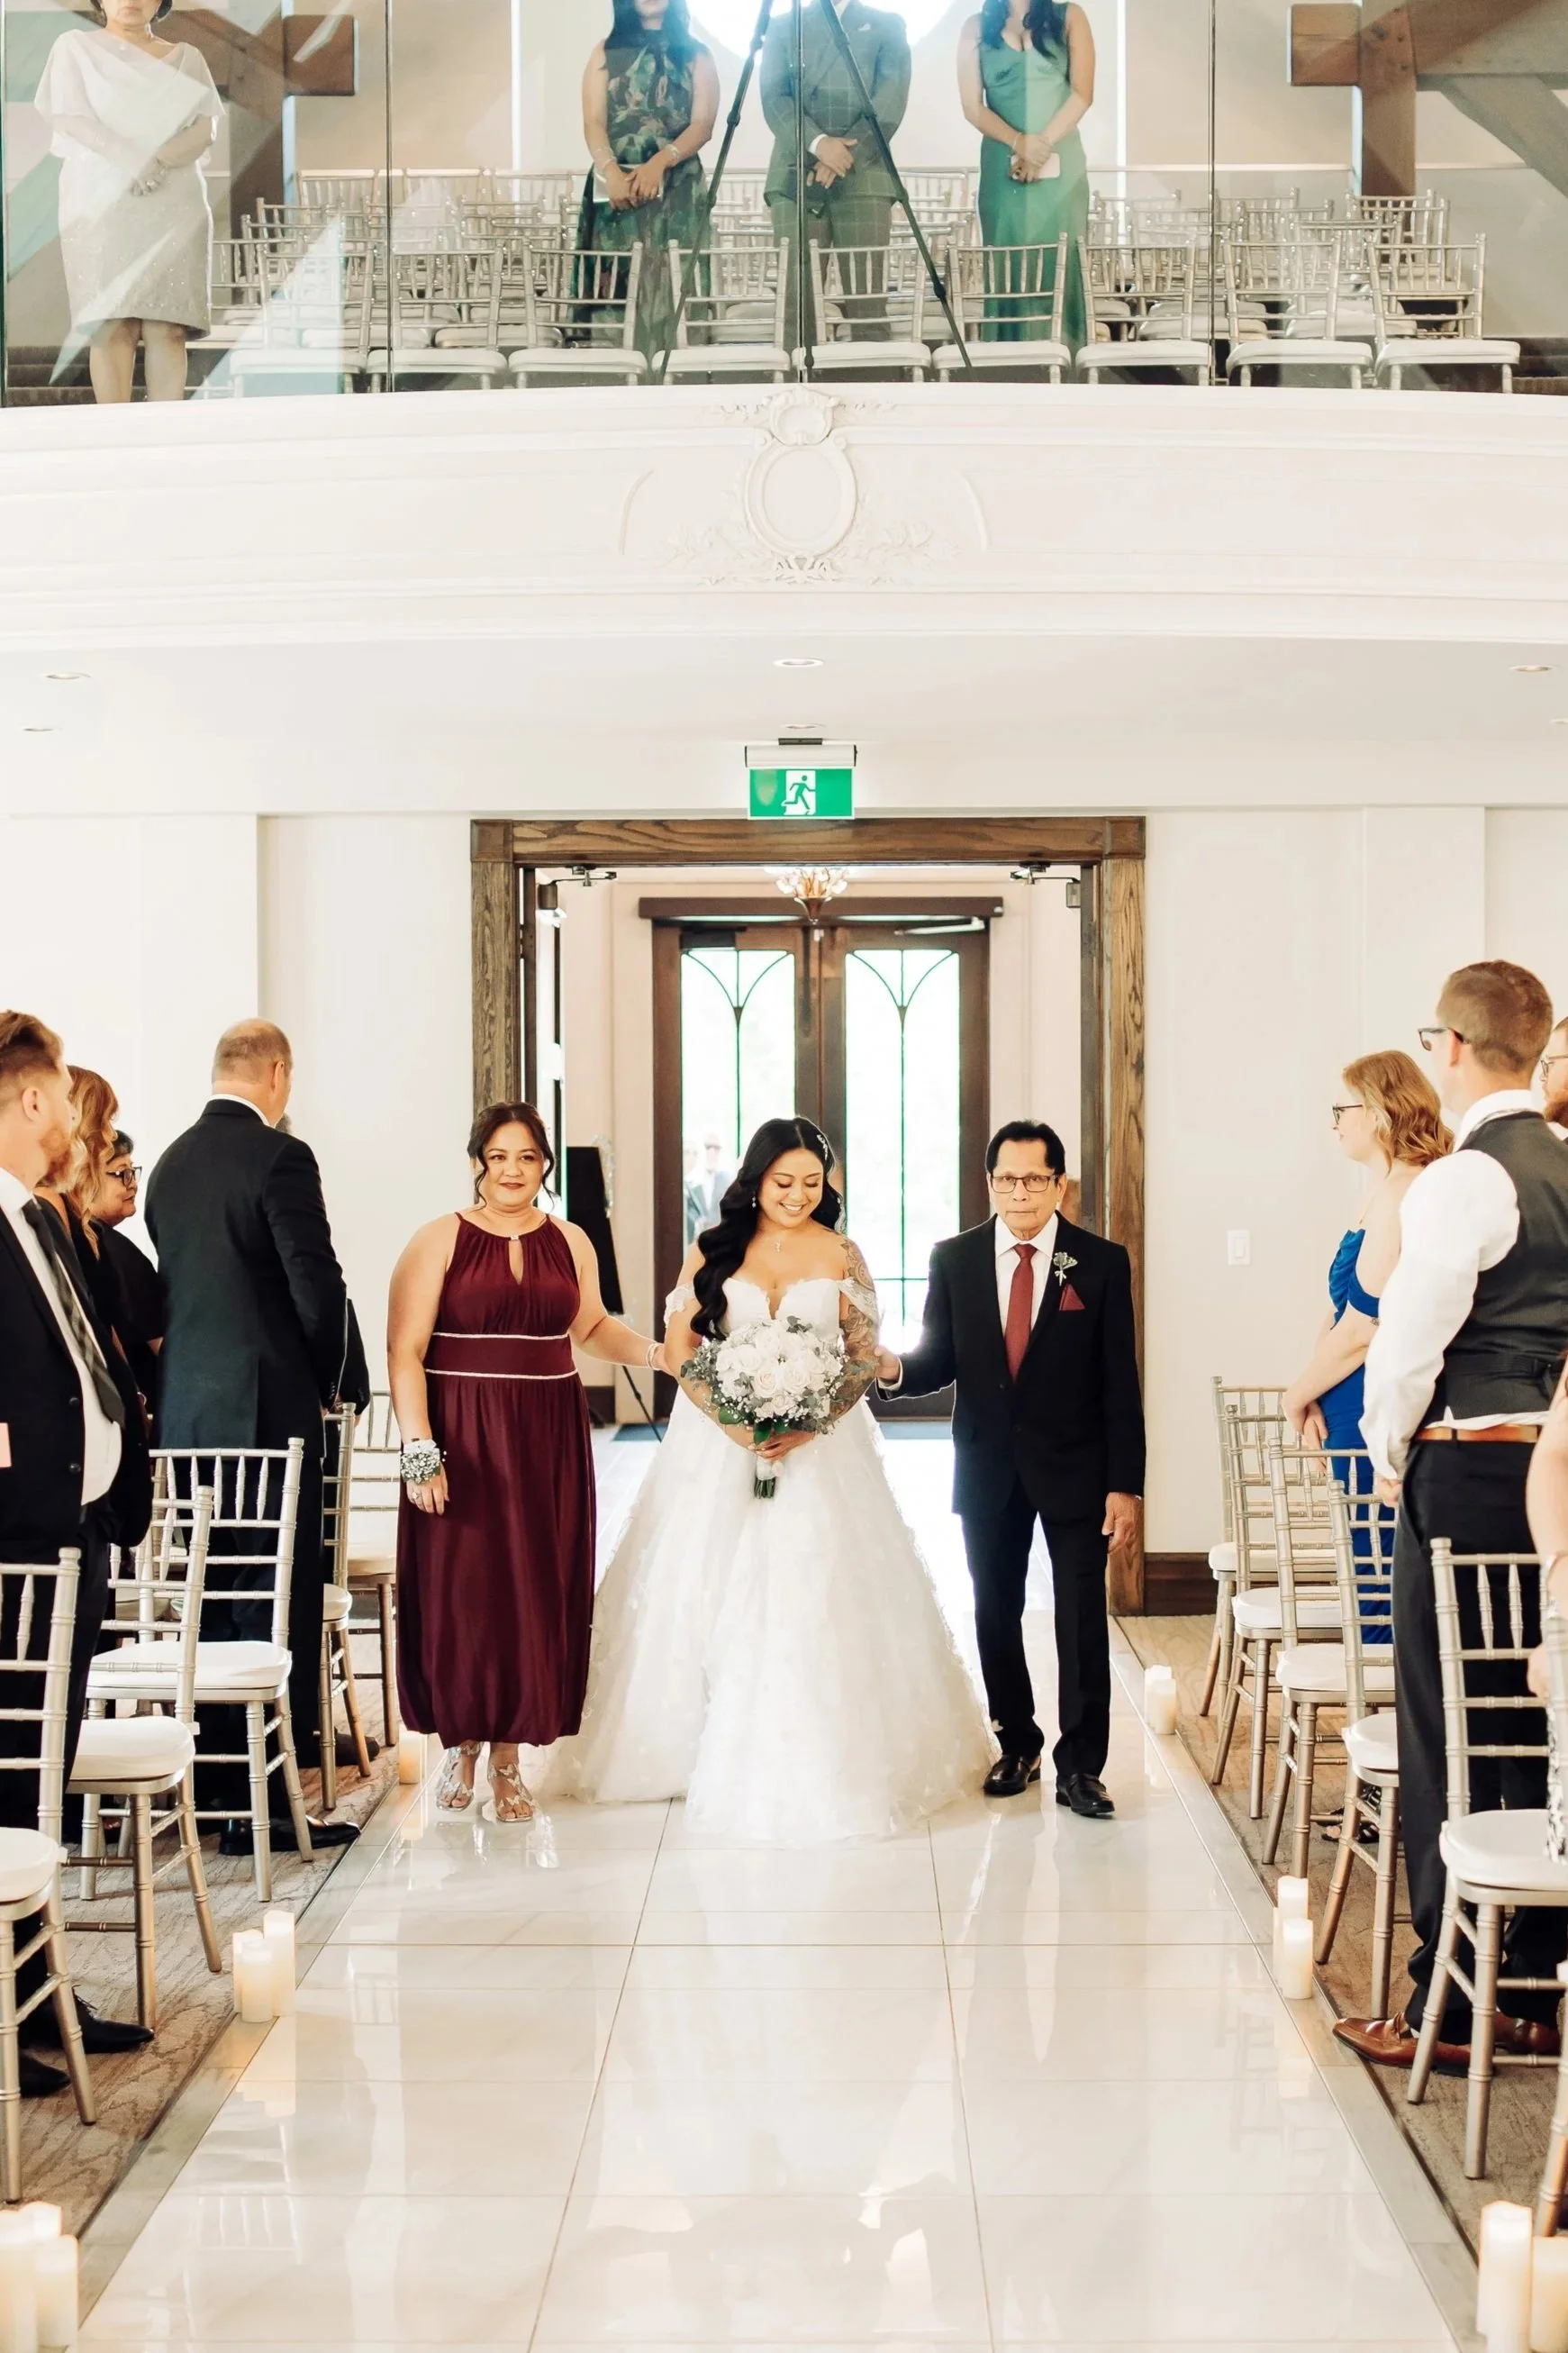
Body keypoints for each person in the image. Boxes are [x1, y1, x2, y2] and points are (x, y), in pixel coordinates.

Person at [538, 1116, 993, 1842]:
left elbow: (860, 1353)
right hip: (715, 1443)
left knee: (818, 1582)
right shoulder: (714, 1248)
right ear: (756, 1179)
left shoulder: (841, 1251)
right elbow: (681, 1345)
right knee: (696, 1581)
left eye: (813, 1184)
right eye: (784, 1182)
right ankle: (677, 1752)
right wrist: (728, 1419)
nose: (798, 1196)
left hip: (820, 1447)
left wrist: (813, 1421)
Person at [1338, 961, 1568, 2071]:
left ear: (1456, 1047)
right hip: (1557, 1475)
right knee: (1546, 1716)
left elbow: (1408, 1342)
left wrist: (1388, 1453)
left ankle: (1452, 1999)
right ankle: (1543, 1979)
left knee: (1450, 1737)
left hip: (1468, 1471)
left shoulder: (1465, 1180)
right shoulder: (1564, 1165)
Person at [389, 1102, 662, 1823]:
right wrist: (420, 1452)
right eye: (499, 1156)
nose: (513, 1171)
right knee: (466, 1592)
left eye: (528, 1158)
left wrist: (659, 1354)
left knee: (534, 1590)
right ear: (478, 1160)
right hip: (461, 1433)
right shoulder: (437, 1238)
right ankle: (462, 1743)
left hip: (546, 1434)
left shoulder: (569, 1239)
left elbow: (593, 1327)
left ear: (544, 1165)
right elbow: (404, 1352)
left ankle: (510, 1760)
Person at [877, 1119, 1145, 1816]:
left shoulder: (1101, 1262)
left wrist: (1126, 1484)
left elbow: (1121, 1380)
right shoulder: (955, 1258)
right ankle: (1016, 1741)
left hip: (1077, 1469)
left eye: (1033, 1179)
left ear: (1059, 1183)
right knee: (994, 1609)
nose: (1019, 1192)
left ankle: (1081, 1766)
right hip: (987, 1465)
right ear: (988, 1181)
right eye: (1005, 1179)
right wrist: (893, 1367)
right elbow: (938, 1358)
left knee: (1080, 1616)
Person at [145, 1021, 355, 1852]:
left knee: (212, 1603)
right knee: (279, 1600)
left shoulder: (168, 1166)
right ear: (277, 1072)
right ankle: (274, 1803)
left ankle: (222, 1795)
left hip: (188, 1421)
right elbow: (317, 1282)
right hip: (270, 1417)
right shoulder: (279, 1157)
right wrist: (328, 1379)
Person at [0, 1013, 152, 2086]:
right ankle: (14, 2010)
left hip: (73, 1534)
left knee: (42, 1771)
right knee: (10, 1773)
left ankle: (42, 1992)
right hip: (16, 1539)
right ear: (31, 1102)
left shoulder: (38, 1221)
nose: (71, 1124)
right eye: (57, 1098)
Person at [1282, 1052, 1449, 1636]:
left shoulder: (1407, 1191)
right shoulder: (1383, 1188)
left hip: (1369, 1401)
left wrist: (1293, 1397)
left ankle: (1386, 1712)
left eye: (1341, 1108)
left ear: (1378, 1111)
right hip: (1344, 1398)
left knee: (1378, 1567)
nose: (1333, 1122)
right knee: (1364, 1561)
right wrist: (1311, 1386)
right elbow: (1337, 1314)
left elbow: (1363, 1328)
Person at [34, 0, 222, 404]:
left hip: (175, 198)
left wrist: (155, 162)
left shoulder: (189, 57)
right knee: (112, 325)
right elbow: (69, 116)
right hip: (101, 198)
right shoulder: (75, 47)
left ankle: (166, 438)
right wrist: (131, 159)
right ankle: (115, 438)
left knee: (169, 327)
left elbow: (206, 128)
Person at [761, 0, 912, 343]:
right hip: (795, 171)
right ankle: (795, 393)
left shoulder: (887, 24)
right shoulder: (784, 25)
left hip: (865, 173)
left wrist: (841, 154)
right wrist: (818, 144)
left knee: (867, 303)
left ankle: (872, 390)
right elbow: (773, 97)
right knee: (796, 306)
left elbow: (890, 101)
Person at [580, 0, 719, 361]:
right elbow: (593, 123)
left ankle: (680, 386)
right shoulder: (605, 51)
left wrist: (660, 163)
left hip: (678, 188)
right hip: (617, 187)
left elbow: (702, 125)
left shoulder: (696, 53)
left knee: (675, 286)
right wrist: (611, 172)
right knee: (616, 290)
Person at [958, 0, 1092, 348]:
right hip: (1002, 164)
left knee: (1060, 263)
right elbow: (972, 107)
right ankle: (1008, 370)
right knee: (1007, 265)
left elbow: (1082, 94)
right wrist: (1019, 142)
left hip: (1061, 162)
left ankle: (1067, 365)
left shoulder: (1070, 16)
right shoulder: (975, 26)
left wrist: (1040, 146)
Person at [87, 1130, 164, 1414]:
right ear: (86, 1177)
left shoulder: (100, 1242)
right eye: (121, 1173)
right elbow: (163, 1347)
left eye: (133, 1172)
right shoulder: (113, 1250)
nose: (132, 1184)